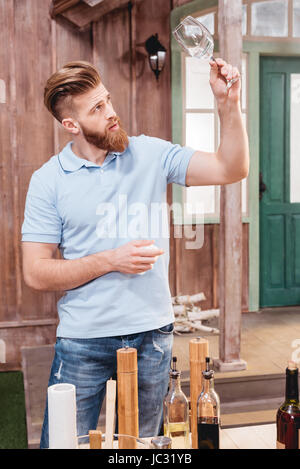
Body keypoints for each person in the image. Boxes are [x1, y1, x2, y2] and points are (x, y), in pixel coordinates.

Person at [21, 59, 249, 448]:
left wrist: (228, 104)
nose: (111, 113)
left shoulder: (150, 154)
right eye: (96, 109)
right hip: (82, 339)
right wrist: (110, 260)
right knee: (61, 444)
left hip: (152, 337)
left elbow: (232, 168)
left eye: (107, 100)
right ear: (70, 125)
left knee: (143, 450)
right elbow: (36, 272)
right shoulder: (47, 181)